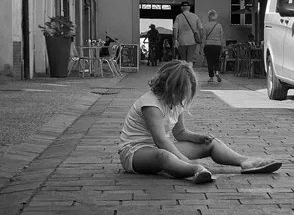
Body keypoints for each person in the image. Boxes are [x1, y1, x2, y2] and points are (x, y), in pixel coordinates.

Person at [118, 61, 283, 183]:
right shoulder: (151, 104)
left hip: (158, 147)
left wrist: (199, 138)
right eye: (182, 92)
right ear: (170, 87)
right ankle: (193, 169)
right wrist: (186, 160)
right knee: (165, 156)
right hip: (135, 152)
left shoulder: (176, 102)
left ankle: (245, 161)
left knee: (210, 144)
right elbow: (161, 141)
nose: (184, 98)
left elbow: (180, 132)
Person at [173, 1, 204, 66]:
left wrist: (175, 40)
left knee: (183, 60)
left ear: (182, 8)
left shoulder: (178, 17)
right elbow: (201, 29)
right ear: (189, 8)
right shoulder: (195, 16)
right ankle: (189, 72)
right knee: (190, 60)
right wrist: (201, 40)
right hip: (192, 41)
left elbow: (175, 29)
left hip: (182, 41)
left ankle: (184, 73)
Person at [202, 10, 225, 83]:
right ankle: (217, 73)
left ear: (209, 17)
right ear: (215, 17)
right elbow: (221, 37)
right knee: (216, 60)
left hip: (208, 45)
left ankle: (211, 78)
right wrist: (222, 46)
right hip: (217, 45)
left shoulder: (205, 25)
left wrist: (203, 46)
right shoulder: (219, 26)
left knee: (209, 62)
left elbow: (204, 37)